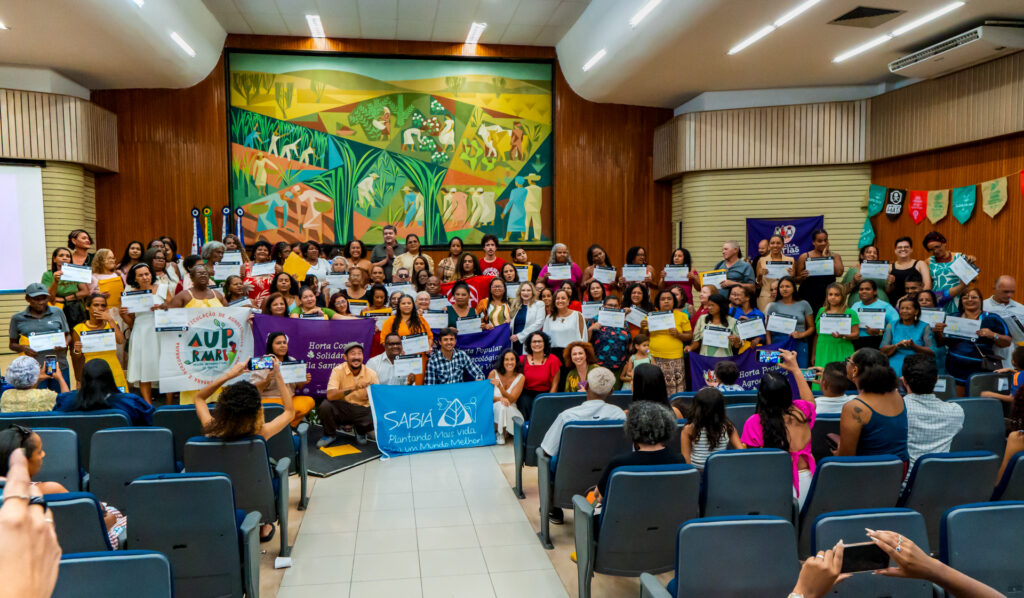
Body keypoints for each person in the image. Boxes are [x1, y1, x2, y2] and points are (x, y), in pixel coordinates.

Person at [193, 358, 293, 541]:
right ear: (257, 410)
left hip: (217, 498)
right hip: (254, 493)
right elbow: (289, 412)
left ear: (223, 407)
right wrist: (278, 375)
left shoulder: (210, 428)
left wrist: (230, 375)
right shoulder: (261, 434)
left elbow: (199, 398)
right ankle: (264, 524)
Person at [540, 367, 623, 523]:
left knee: (548, 460)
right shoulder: (619, 415)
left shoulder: (568, 416)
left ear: (585, 386)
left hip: (570, 472)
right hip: (605, 475)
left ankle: (553, 508)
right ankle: (592, 503)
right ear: (612, 391)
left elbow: (547, 450)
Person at [740, 349, 816, 507]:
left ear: (761, 395)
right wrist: (795, 368)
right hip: (809, 483)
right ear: (789, 393)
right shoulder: (802, 411)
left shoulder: (754, 422)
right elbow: (810, 401)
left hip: (775, 485)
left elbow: (751, 461)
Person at [594, 401, 684, 504]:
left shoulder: (618, 464)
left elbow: (599, 497)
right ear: (668, 427)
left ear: (632, 429)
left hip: (625, 518)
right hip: (668, 517)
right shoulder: (679, 461)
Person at [835, 348, 908, 464]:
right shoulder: (897, 395)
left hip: (866, 473)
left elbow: (845, 459)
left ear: (855, 370)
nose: (846, 364)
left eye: (848, 361)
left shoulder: (854, 407)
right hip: (897, 472)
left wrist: (837, 452)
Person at [901, 353, 964, 471]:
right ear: (936, 380)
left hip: (905, 485)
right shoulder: (956, 412)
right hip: (941, 483)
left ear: (903, 381)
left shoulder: (897, 412)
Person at [937, 286, 1010, 386]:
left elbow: (1007, 341)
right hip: (954, 372)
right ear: (961, 301)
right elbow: (941, 342)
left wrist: (993, 335)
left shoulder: (992, 318)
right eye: (965, 297)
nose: (969, 300)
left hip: (981, 373)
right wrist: (939, 332)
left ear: (980, 300)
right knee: (956, 401)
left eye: (974, 297)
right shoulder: (953, 317)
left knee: (976, 400)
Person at [7, 283, 71, 392]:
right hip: (33, 369)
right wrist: (23, 348)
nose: (41, 302)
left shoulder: (57, 312)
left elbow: (68, 335)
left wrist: (65, 343)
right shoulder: (18, 318)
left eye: (44, 298)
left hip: (59, 365)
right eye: (36, 299)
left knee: (62, 399)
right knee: (37, 402)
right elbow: (12, 344)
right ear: (27, 299)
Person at [55, 360, 153, 425]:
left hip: (78, 454)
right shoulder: (131, 403)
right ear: (110, 378)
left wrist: (60, 379)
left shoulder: (66, 401)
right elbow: (153, 422)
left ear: (83, 380)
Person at [250, 332, 316, 427]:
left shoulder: (292, 360)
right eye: (278, 343)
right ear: (270, 346)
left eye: (284, 343)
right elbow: (253, 390)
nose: (282, 346)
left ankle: (288, 427)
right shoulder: (263, 362)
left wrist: (303, 381)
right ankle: (280, 427)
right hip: (270, 401)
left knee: (309, 402)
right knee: (274, 410)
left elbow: (298, 386)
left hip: (289, 400)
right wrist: (267, 379)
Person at [323, 342, 379, 446]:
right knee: (326, 406)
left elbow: (377, 399)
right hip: (344, 408)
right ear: (345, 357)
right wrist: (355, 387)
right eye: (353, 354)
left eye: (359, 354)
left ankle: (360, 430)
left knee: (373, 413)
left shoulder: (371, 374)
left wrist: (371, 392)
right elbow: (330, 395)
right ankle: (329, 435)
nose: (356, 357)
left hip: (362, 409)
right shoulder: (337, 370)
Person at [71, 293, 128, 391]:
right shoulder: (79, 328)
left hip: (112, 367)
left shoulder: (112, 324)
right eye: (96, 305)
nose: (100, 308)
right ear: (87, 307)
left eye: (103, 306)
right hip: (92, 369)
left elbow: (120, 340)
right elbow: (77, 357)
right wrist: (77, 350)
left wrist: (110, 320)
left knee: (119, 400)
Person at [681, 386, 742, 470]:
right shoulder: (728, 427)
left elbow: (686, 460)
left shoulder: (689, 429)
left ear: (697, 408)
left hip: (697, 474)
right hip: (721, 472)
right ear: (721, 409)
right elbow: (741, 451)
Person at [765, 276, 817, 366]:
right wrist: (770, 347)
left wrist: (801, 334)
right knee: (778, 375)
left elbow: (812, 327)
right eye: (781, 287)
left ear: (794, 288)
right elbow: (768, 330)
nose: (784, 289)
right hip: (778, 344)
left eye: (787, 286)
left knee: (799, 372)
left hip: (799, 344)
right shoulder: (773, 306)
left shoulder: (804, 304)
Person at [649, 289, 693, 394]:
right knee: (655, 388)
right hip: (653, 356)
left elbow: (689, 336)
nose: (666, 301)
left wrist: (679, 334)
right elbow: (643, 337)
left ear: (674, 301)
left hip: (675, 358)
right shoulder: (651, 316)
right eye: (663, 299)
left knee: (675, 391)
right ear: (658, 302)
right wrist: (643, 327)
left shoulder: (682, 316)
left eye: (669, 299)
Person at [880, 296, 936, 377]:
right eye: (902, 308)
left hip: (917, 366)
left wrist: (914, 346)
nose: (904, 311)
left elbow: (932, 352)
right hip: (895, 365)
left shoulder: (924, 327)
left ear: (916, 311)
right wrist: (896, 345)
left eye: (908, 308)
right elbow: (882, 350)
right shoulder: (891, 325)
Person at [924, 231, 978, 314]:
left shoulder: (959, 257)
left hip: (958, 299)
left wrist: (969, 266)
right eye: (931, 250)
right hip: (938, 300)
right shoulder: (928, 262)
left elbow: (975, 279)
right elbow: (928, 284)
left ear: (944, 243)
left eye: (937, 247)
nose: (935, 251)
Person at [795, 229, 845, 316]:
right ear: (813, 242)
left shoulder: (835, 256)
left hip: (827, 297)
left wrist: (826, 257)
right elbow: (796, 279)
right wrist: (802, 277)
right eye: (819, 241)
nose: (823, 243)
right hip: (808, 295)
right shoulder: (804, 257)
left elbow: (839, 272)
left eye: (825, 240)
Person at [542, 289, 587, 382]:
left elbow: (583, 337)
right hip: (555, 356)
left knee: (573, 383)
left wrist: (581, 355)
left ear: (568, 301)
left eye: (563, 298)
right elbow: (545, 340)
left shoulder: (577, 315)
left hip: (573, 355)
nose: (560, 300)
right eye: (557, 298)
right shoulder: (549, 318)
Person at [814, 283, 860, 371]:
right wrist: (813, 354)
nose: (833, 297)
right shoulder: (821, 311)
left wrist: (843, 335)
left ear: (842, 296)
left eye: (836, 295)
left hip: (841, 348)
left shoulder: (850, 312)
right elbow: (817, 334)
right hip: (822, 349)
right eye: (830, 294)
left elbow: (856, 334)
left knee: (840, 376)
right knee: (821, 375)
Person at [983, 275, 1024, 368]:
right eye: (1005, 291)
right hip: (989, 359)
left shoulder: (1021, 309)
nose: (1009, 295)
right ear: (994, 288)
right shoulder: (983, 306)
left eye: (1012, 292)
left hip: (1015, 362)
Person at [42, 247, 89, 327]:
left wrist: (65, 299)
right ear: (54, 259)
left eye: (68, 256)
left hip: (75, 308)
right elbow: (49, 297)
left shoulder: (75, 272)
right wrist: (55, 281)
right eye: (61, 255)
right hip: (56, 308)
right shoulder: (47, 275)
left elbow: (85, 292)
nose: (65, 258)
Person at [1, 356, 67, 412]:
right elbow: (67, 401)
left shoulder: (6, 395)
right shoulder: (46, 395)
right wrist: (60, 378)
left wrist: (36, 379)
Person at [519, 331, 561, 418]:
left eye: (540, 341)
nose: (537, 344)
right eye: (534, 341)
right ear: (529, 344)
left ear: (544, 343)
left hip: (545, 395)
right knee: (524, 402)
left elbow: (555, 385)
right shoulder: (522, 359)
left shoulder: (553, 360)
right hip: (526, 395)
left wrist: (548, 400)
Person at [587, 295, 631, 376]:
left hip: (620, 366)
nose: (613, 308)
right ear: (603, 306)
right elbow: (586, 342)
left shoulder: (623, 322)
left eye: (616, 306)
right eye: (610, 305)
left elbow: (628, 342)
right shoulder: (594, 320)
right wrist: (590, 330)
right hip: (599, 366)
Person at [850, 279, 899, 351]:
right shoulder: (855, 306)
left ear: (875, 292)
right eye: (861, 289)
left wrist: (880, 332)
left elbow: (896, 325)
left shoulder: (885, 306)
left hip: (877, 341)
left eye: (867, 289)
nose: (864, 291)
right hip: (857, 342)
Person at [489, 349, 524, 444]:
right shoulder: (493, 373)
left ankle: (501, 432)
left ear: (516, 362)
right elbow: (487, 396)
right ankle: (501, 432)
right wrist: (500, 399)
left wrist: (500, 387)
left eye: (512, 359)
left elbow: (512, 399)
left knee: (504, 406)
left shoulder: (520, 377)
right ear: (502, 361)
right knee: (501, 405)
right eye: (506, 359)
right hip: (494, 409)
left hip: (511, 409)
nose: (509, 362)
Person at [754, 234, 794, 311]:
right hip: (766, 297)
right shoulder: (761, 261)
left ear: (783, 245)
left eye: (778, 243)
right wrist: (759, 276)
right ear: (769, 245)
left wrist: (792, 277)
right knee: (766, 321)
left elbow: (793, 283)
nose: (775, 245)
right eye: (772, 243)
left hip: (785, 297)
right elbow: (758, 285)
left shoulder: (790, 261)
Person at [888, 236, 932, 302]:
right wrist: (889, 283)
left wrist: (906, 299)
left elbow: (927, 286)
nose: (903, 249)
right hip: (895, 304)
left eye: (906, 247)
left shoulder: (920, 264)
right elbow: (887, 291)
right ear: (895, 251)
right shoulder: (889, 267)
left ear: (911, 250)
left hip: (915, 302)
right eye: (900, 247)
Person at [510, 281, 545, 354]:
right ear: (520, 292)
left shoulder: (539, 304)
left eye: (528, 290)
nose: (525, 293)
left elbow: (539, 323)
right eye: (523, 290)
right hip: (514, 343)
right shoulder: (516, 305)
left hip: (529, 342)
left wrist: (519, 336)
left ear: (533, 292)